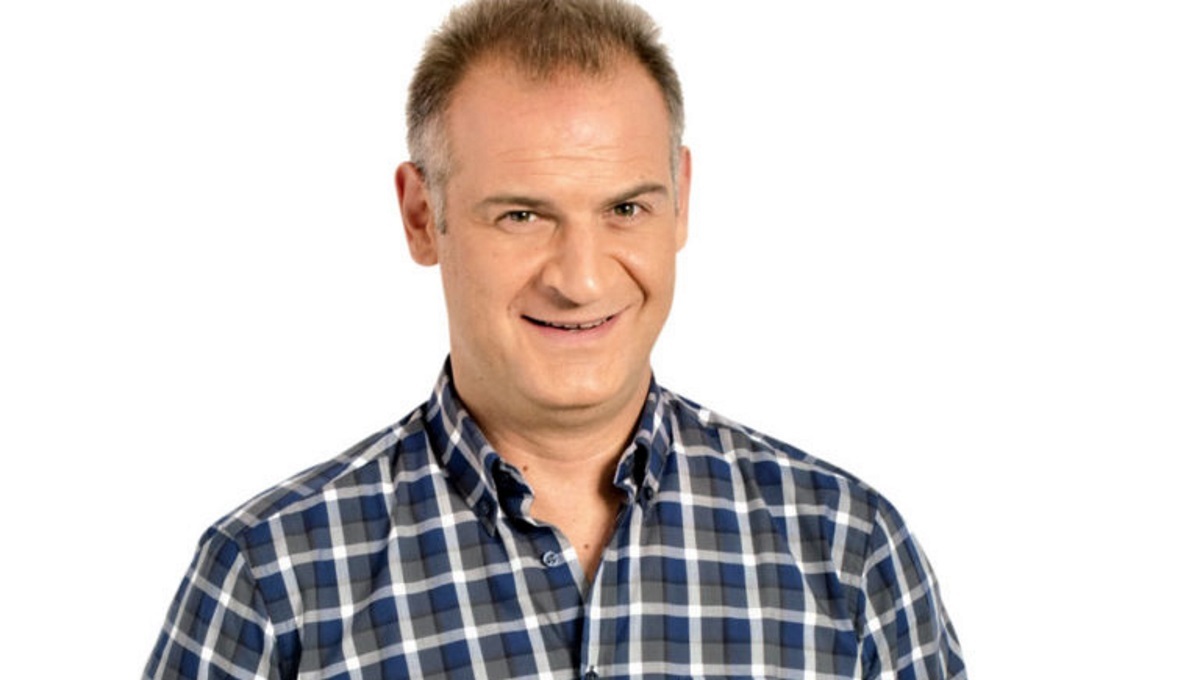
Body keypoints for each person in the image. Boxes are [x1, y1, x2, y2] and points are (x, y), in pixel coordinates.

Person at [144, 0, 966, 677]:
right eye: (522, 215)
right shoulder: (271, 580)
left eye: (626, 209)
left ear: (682, 200)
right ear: (422, 216)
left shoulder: (849, 552)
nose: (581, 278)